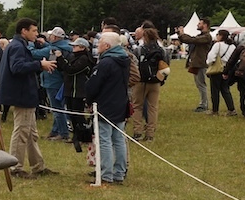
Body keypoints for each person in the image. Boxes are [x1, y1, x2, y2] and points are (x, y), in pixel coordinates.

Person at [0, 17, 59, 179]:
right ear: (23, 31)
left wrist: (39, 65)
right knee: (22, 132)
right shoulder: (18, 46)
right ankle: (15, 167)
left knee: (31, 133)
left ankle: (38, 166)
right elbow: (17, 67)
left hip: (24, 93)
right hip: (22, 94)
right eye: (33, 30)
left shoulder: (18, 45)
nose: (36, 33)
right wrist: (40, 65)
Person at [83, 31, 131, 184]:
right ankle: (119, 173)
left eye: (100, 43)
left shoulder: (106, 62)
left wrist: (88, 99)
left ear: (107, 46)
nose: (98, 45)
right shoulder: (124, 59)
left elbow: (94, 84)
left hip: (106, 105)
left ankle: (106, 174)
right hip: (121, 103)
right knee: (118, 140)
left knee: (105, 141)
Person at [57, 36, 96, 148]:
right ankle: (76, 136)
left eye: (75, 46)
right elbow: (65, 68)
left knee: (78, 115)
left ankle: (83, 136)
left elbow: (71, 70)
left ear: (82, 47)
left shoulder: (85, 59)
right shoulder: (73, 57)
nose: (73, 48)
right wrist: (60, 61)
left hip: (78, 91)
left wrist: (60, 59)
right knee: (71, 113)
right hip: (69, 90)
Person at [131, 26, 166, 140]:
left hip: (140, 81)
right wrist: (161, 79)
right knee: (153, 107)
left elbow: (134, 64)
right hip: (155, 81)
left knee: (137, 106)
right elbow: (165, 67)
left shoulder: (139, 50)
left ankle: (137, 131)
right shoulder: (161, 50)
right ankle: (150, 133)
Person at [39, 27, 74, 140]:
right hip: (64, 81)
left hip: (53, 81)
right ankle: (55, 130)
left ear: (54, 37)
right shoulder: (68, 47)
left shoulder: (54, 49)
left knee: (57, 109)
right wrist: (45, 44)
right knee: (59, 107)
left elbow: (50, 62)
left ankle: (63, 134)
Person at [177, 18, 213, 111]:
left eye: (199, 23)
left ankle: (203, 105)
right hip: (197, 63)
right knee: (199, 84)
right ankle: (203, 103)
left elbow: (192, 40)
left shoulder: (207, 37)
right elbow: (191, 40)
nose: (197, 25)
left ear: (205, 25)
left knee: (201, 84)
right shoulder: (202, 36)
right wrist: (180, 34)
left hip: (201, 63)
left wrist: (182, 34)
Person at [206, 29, 237, 116]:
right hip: (228, 70)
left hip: (217, 69)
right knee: (225, 90)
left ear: (220, 36)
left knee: (215, 90)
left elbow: (211, 57)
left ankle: (215, 110)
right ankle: (231, 109)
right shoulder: (232, 46)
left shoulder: (217, 45)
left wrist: (209, 64)